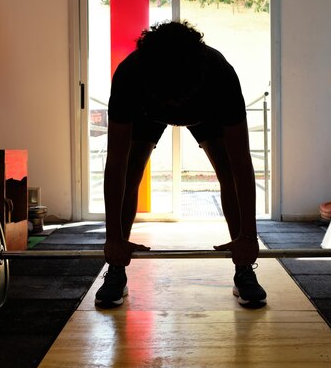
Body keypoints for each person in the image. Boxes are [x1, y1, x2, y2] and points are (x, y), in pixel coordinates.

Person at [96, 20, 266, 308]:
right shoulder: (129, 75)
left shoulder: (220, 75)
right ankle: (116, 269)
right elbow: (115, 165)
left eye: (178, 99)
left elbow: (241, 164)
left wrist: (249, 236)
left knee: (227, 171)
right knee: (130, 173)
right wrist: (112, 238)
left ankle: (244, 269)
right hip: (145, 111)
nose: (174, 107)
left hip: (207, 111)